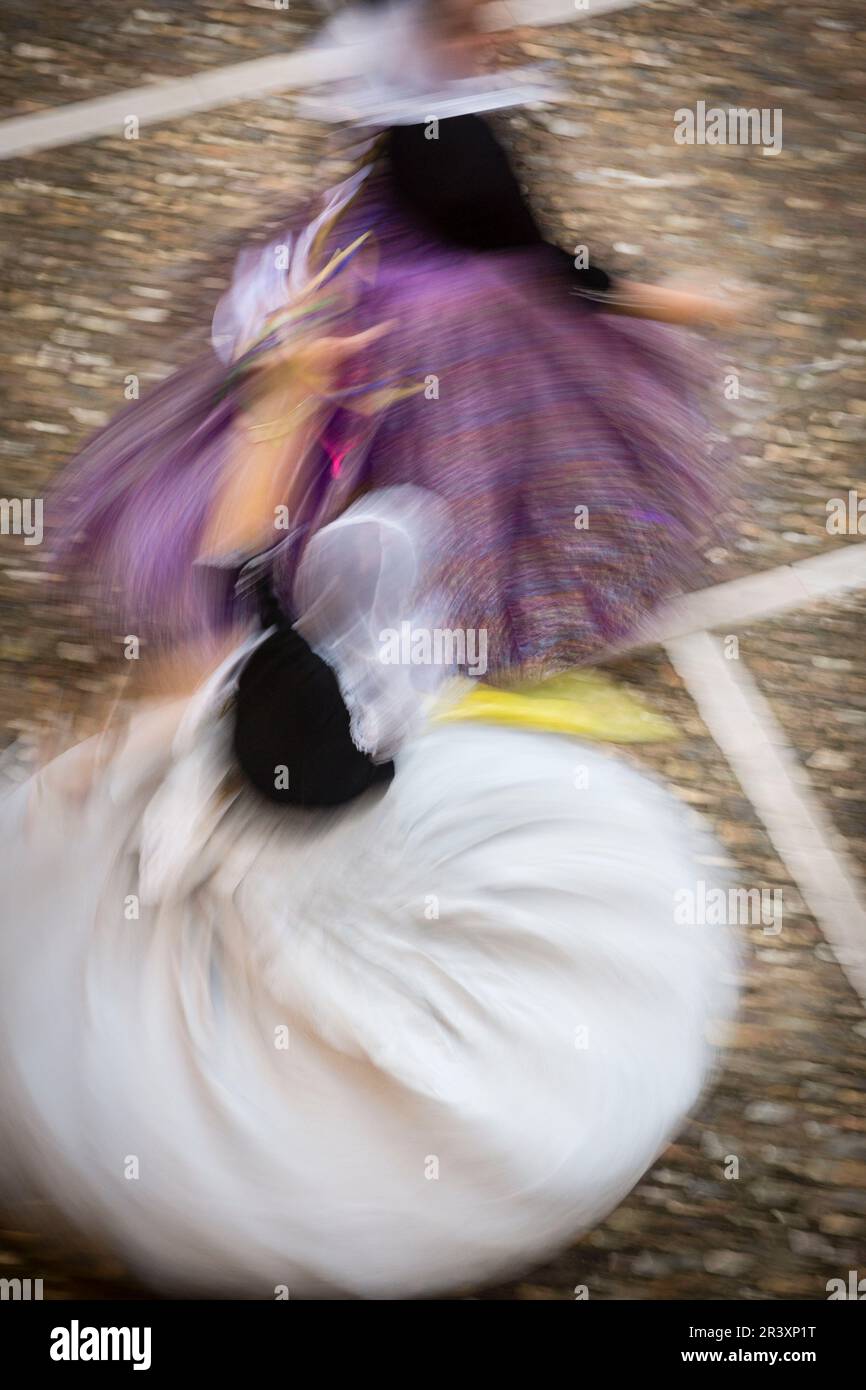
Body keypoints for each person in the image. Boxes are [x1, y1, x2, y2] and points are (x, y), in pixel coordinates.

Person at [0, 486, 734, 1299]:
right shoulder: (372, 694)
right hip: (344, 858)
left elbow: (166, 740)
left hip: (272, 850)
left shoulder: (257, 694)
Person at [51, 0, 737, 682]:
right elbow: (550, 266)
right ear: (438, 30)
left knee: (346, 453)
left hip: (379, 267)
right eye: (476, 24)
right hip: (452, 320)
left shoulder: (397, 90)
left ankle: (292, 591)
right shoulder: (460, 149)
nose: (510, 32)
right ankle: (385, 616)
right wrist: (676, 303)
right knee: (459, 468)